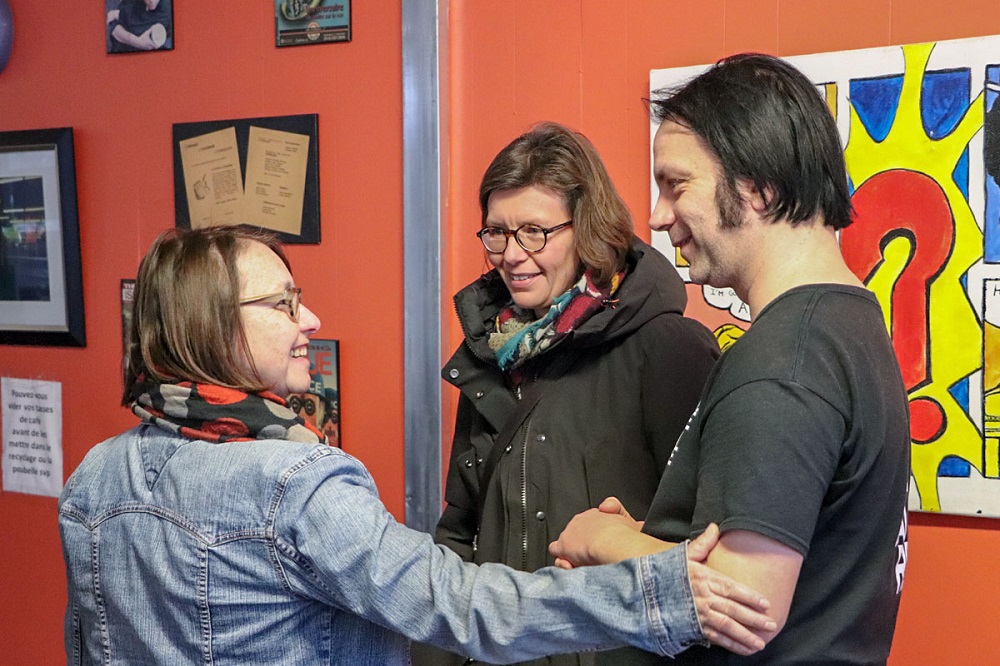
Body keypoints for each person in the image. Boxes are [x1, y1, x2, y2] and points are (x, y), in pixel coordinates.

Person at [57, 225, 776, 665]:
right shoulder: (298, 480)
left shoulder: (95, 475)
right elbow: (462, 606)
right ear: (209, 327)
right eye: (282, 303)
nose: (309, 318)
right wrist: (662, 592)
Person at [549, 53, 911, 665]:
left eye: (676, 184)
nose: (659, 218)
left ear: (758, 188)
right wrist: (653, 539)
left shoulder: (785, 362)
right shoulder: (847, 324)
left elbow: (745, 603)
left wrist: (603, 540)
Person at [413, 122, 720, 665]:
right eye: (496, 233)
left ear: (588, 230)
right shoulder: (492, 354)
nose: (510, 254)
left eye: (534, 231)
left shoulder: (668, 350)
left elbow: (705, 546)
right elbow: (459, 532)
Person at [106, 0, 171, 53]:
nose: (151, 1)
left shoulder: (167, 8)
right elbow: (113, 27)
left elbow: (133, 29)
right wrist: (138, 42)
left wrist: (136, 42)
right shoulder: (130, 3)